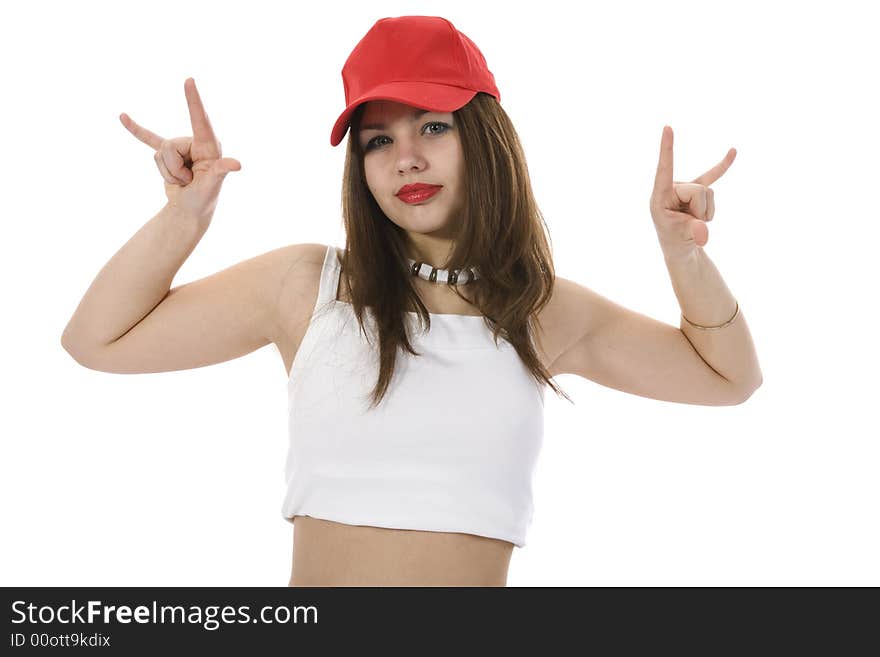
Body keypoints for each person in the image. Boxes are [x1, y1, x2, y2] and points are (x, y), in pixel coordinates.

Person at [60, 16, 762, 587]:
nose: (406, 160)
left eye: (433, 126)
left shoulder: (540, 312)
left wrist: (684, 257)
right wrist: (186, 216)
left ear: (483, 139)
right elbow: (96, 340)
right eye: (378, 140)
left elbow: (729, 378)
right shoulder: (307, 287)